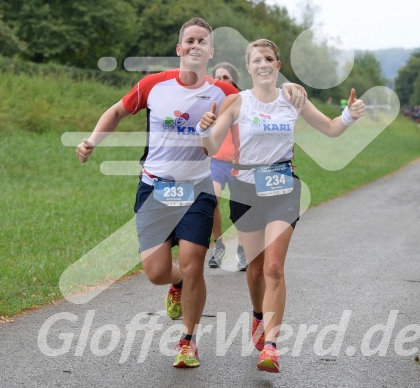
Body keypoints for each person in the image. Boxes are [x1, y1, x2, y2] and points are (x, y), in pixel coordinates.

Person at [75, 18, 307, 369]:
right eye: (190, 40)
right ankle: (177, 281)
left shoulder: (224, 92)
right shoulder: (154, 85)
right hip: (155, 188)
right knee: (155, 271)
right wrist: (92, 139)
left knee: (194, 263)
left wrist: (292, 89)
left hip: (197, 192)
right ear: (179, 48)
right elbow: (118, 110)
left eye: (203, 41)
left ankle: (188, 340)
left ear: (211, 52)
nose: (196, 45)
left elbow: (263, 93)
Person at [198, 39, 365, 373]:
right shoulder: (236, 102)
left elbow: (330, 129)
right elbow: (212, 145)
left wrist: (350, 115)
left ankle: (271, 347)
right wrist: (204, 132)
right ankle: (258, 316)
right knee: (256, 270)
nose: (263, 64)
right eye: (257, 60)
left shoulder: (292, 99)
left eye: (269, 59)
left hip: (283, 189)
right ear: (248, 67)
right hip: (245, 192)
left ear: (277, 65)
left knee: (274, 268)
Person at [208, 62, 248, 271]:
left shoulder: (243, 102)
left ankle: (242, 249)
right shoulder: (209, 101)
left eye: (225, 78)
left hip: (238, 164)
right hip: (216, 162)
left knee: (240, 207)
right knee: (212, 200)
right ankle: (219, 245)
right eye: (217, 77)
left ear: (233, 81)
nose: (221, 81)